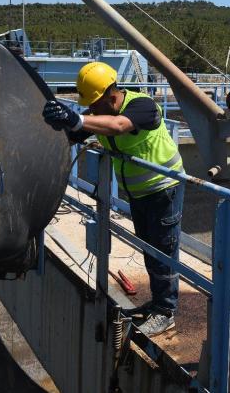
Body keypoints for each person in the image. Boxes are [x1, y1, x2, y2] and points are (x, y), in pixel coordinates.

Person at [42, 61, 185, 337]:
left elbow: (119, 125)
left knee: (163, 248)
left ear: (112, 96)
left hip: (164, 189)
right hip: (139, 193)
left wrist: (79, 119)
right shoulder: (100, 112)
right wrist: (57, 121)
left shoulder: (142, 106)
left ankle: (166, 311)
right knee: (149, 247)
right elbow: (74, 133)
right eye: (88, 106)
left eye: (95, 105)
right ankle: (158, 303)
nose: (91, 110)